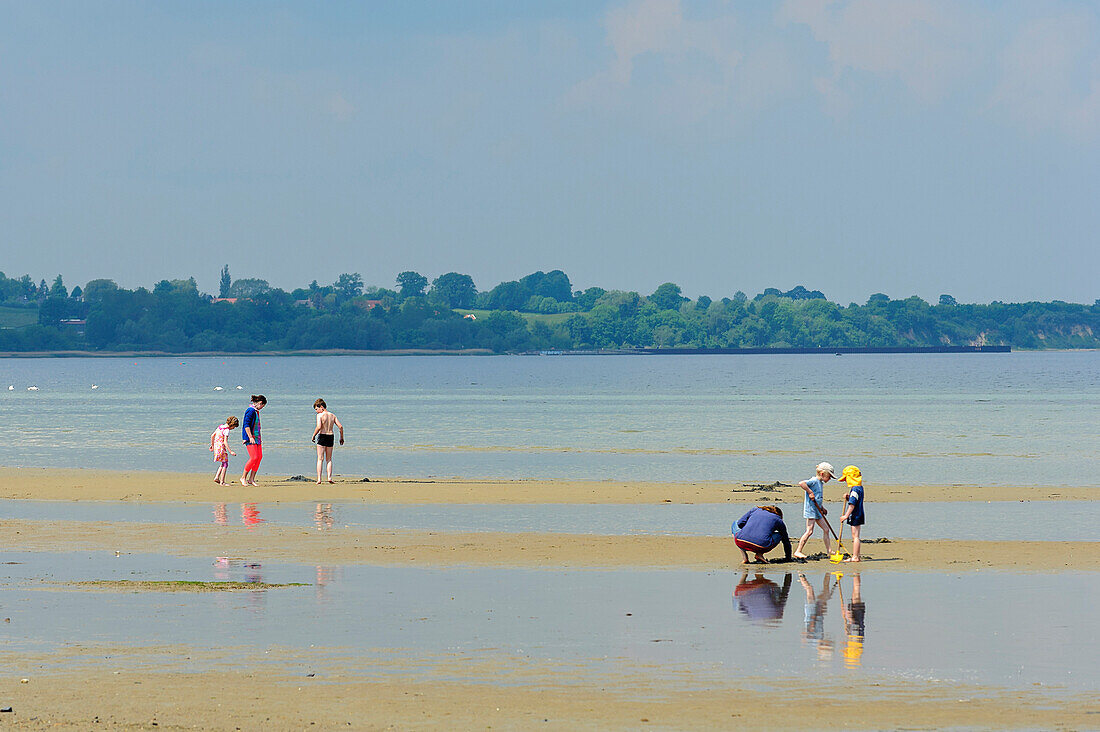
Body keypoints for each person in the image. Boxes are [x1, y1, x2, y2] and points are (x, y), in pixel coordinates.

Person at [793, 462, 837, 559]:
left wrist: (822, 508)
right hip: (811, 510)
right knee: (809, 531)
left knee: (826, 529)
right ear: (822, 474)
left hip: (817, 510)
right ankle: (798, 551)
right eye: (829, 477)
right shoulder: (814, 481)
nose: (829, 479)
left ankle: (829, 550)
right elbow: (802, 483)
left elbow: (818, 498)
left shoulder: (820, 483)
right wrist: (810, 492)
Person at [311, 398, 344, 484]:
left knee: (320, 458)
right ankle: (329, 477)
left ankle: (319, 479)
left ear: (321, 407)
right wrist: (341, 437)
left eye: (316, 409)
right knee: (329, 459)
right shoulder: (333, 415)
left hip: (322, 436)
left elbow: (318, 427)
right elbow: (340, 427)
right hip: (331, 436)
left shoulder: (320, 415)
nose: (316, 411)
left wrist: (313, 435)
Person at [838, 464, 866, 562]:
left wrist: (845, 515)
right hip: (860, 513)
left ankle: (855, 557)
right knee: (856, 535)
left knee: (855, 536)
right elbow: (854, 499)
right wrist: (848, 497)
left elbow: (852, 504)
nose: (845, 481)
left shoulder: (855, 489)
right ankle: (857, 556)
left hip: (855, 514)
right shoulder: (859, 488)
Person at [240, 395, 267, 486]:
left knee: (259, 457)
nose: (262, 408)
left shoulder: (256, 411)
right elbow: (246, 425)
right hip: (250, 438)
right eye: (262, 406)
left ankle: (251, 479)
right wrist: (250, 437)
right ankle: (243, 477)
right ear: (260, 403)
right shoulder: (250, 410)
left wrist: (258, 438)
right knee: (254, 457)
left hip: (257, 438)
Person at [209, 415, 239, 485]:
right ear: (232, 425)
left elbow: (212, 435)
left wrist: (212, 445)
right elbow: (225, 442)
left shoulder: (220, 427)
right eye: (233, 427)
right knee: (225, 464)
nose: (233, 428)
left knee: (223, 463)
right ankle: (222, 482)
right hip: (221, 448)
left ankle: (216, 477)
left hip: (216, 447)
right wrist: (230, 451)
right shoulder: (226, 430)